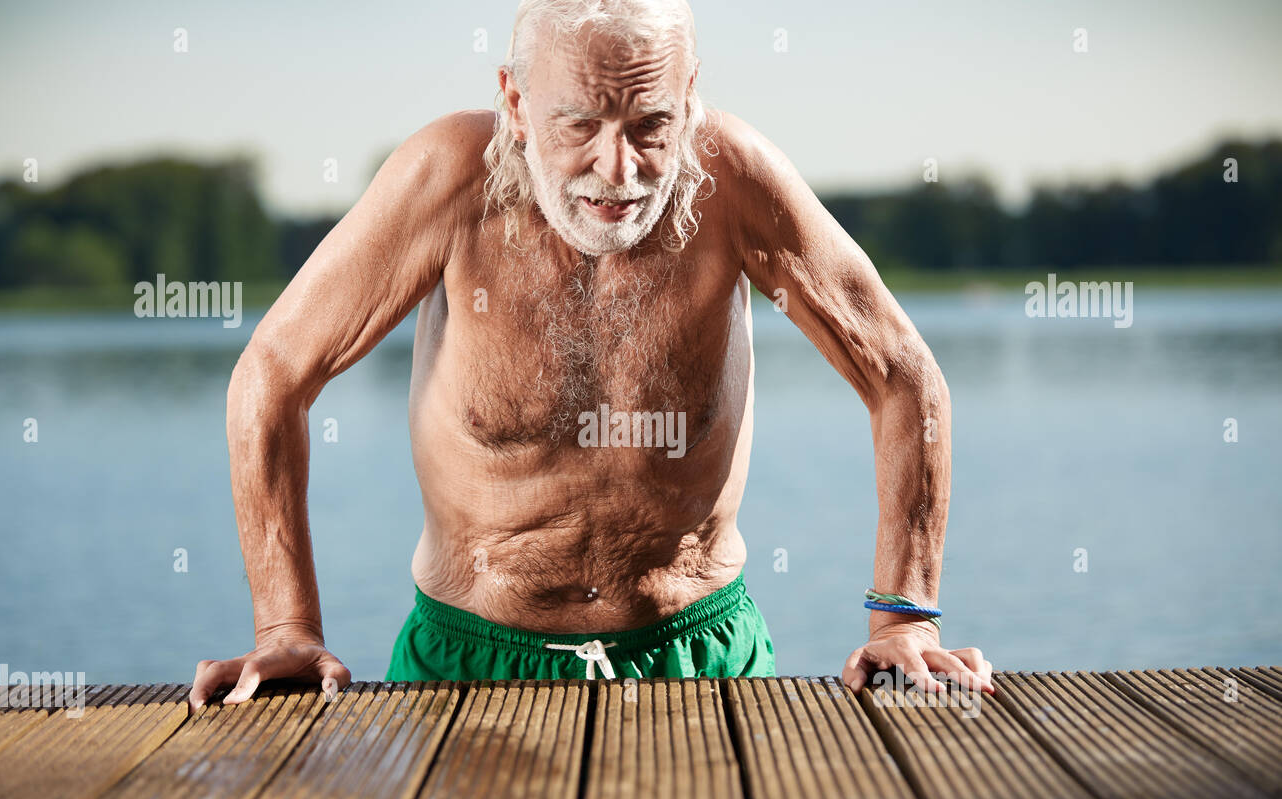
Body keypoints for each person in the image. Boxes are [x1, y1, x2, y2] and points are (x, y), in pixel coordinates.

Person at [189, 0, 995, 713]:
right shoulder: (446, 179)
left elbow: (903, 376)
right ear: (514, 100)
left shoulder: (735, 180)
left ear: (689, 97)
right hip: (468, 663)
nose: (620, 170)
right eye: (579, 124)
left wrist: (903, 618)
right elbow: (272, 375)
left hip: (699, 656)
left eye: (651, 125)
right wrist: (287, 626)